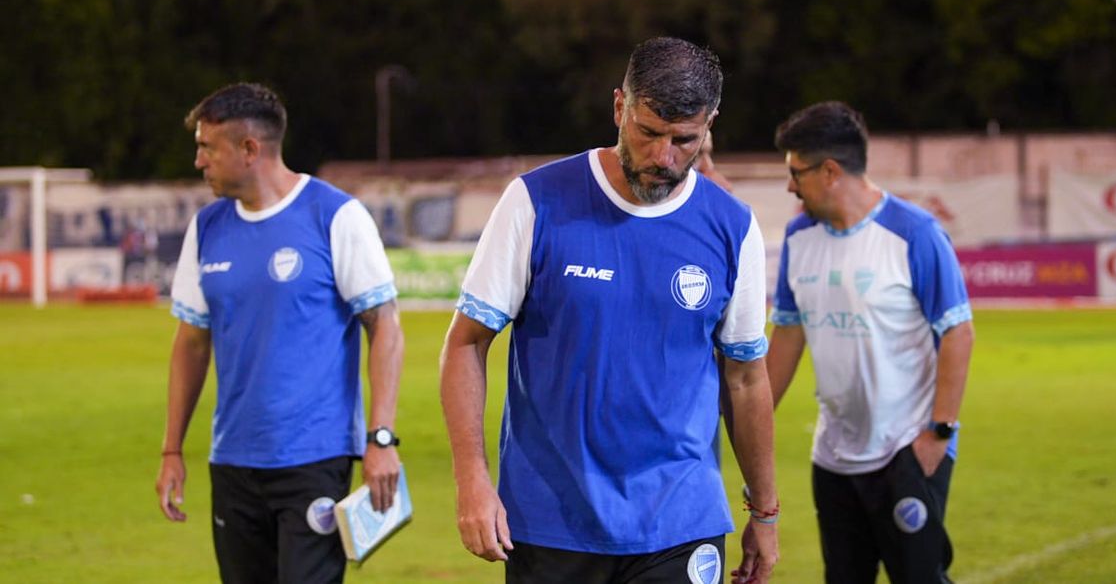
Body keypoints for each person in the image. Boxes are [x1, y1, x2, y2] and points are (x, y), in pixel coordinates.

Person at [439, 37, 779, 584]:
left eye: (683, 140)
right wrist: (472, 479)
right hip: (551, 520)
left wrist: (764, 511)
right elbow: (466, 341)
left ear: (709, 125)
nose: (663, 158)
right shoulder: (536, 202)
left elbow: (744, 378)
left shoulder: (732, 228)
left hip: (681, 521)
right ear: (620, 108)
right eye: (648, 133)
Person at [154, 83, 405, 583]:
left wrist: (380, 438)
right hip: (233, 460)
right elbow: (191, 342)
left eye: (207, 147)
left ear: (250, 149)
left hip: (314, 458)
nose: (199, 161)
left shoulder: (335, 216)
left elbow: (385, 326)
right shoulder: (207, 228)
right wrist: (171, 450)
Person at [766, 101, 974, 583]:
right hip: (833, 457)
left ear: (830, 171)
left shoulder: (914, 234)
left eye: (797, 172)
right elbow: (788, 336)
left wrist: (938, 434)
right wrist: (744, 420)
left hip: (907, 450)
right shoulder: (799, 238)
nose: (790, 185)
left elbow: (958, 332)